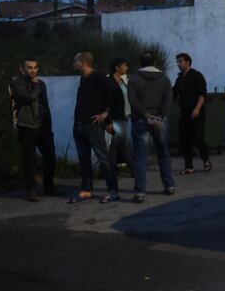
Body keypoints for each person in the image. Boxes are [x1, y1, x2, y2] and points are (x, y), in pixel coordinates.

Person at [127, 50, 175, 203]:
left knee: (140, 157)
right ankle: (170, 186)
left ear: (140, 63)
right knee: (164, 153)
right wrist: (159, 116)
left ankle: (140, 192)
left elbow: (133, 101)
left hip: (141, 120)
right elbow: (168, 100)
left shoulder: (133, 79)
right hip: (160, 121)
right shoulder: (165, 79)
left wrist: (146, 115)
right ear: (155, 63)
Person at [8, 57, 56, 201]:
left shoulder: (40, 83)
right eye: (29, 67)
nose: (33, 70)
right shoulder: (17, 82)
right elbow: (28, 97)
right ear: (22, 69)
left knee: (51, 158)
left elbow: (45, 105)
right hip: (27, 126)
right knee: (29, 160)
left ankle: (49, 186)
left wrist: (49, 124)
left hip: (43, 126)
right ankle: (31, 189)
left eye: (35, 67)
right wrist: (36, 86)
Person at [70, 52, 112, 204]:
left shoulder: (99, 77)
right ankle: (87, 190)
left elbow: (113, 94)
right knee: (84, 159)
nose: (73, 63)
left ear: (83, 63)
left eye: (75, 61)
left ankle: (112, 190)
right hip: (80, 125)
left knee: (103, 158)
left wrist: (105, 114)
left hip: (93, 126)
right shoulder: (83, 78)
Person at [173, 52, 211, 174]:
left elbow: (202, 94)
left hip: (196, 112)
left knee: (198, 137)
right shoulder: (179, 79)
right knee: (185, 139)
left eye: (180, 61)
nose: (178, 64)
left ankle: (206, 160)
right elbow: (173, 94)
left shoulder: (196, 76)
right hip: (184, 112)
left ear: (188, 62)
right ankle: (188, 166)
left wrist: (197, 109)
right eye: (177, 62)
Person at [102, 57, 132, 204]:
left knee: (116, 150)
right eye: (124, 65)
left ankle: (111, 175)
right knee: (123, 148)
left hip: (124, 119)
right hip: (116, 120)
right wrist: (107, 123)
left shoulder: (122, 81)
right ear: (116, 67)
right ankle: (137, 173)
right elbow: (105, 103)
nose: (126, 67)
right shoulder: (109, 82)